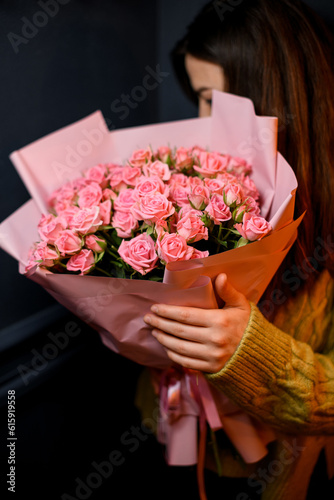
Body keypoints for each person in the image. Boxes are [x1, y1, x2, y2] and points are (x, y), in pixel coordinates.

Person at [137, 1, 334, 499]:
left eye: (215, 100)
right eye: (199, 100)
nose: (203, 125)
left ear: (276, 96)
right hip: (179, 454)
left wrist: (249, 352)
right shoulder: (201, 190)